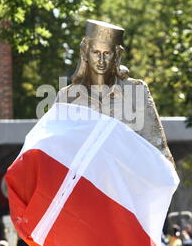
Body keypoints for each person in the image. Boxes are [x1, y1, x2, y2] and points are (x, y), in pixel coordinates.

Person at [55, 19, 176, 168]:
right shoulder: (66, 97)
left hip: (125, 183)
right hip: (84, 184)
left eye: (107, 53)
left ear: (117, 55)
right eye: (95, 52)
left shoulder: (136, 90)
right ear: (85, 52)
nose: (101, 60)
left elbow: (157, 149)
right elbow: (56, 150)